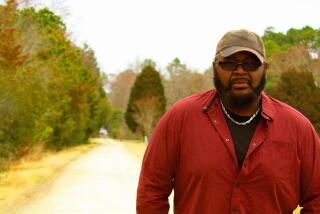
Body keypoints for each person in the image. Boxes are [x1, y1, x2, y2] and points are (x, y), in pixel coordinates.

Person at [136, 29, 320, 213]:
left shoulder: (298, 129)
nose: (240, 71)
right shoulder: (180, 119)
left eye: (250, 64)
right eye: (230, 63)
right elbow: (151, 191)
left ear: (265, 69)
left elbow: (317, 198)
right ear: (215, 67)